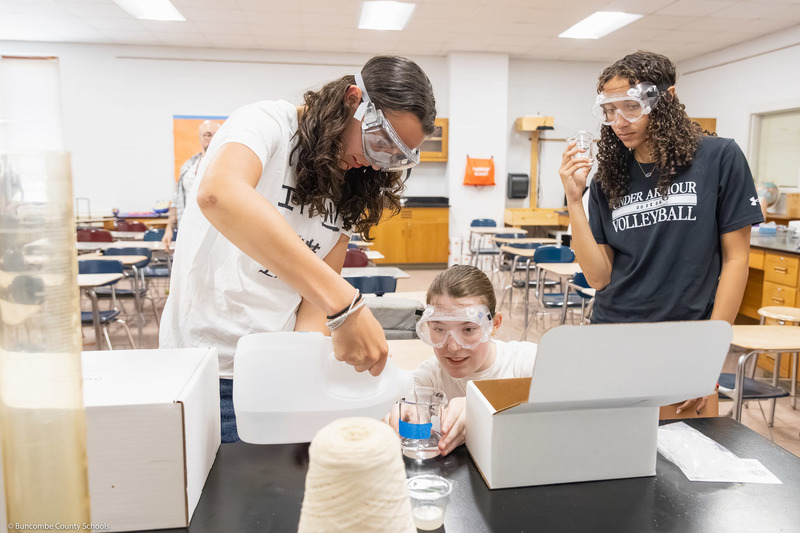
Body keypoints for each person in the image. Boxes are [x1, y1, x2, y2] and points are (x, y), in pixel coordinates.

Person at [159, 56, 437, 442]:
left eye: (395, 158)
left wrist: (301, 374)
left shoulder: (349, 184)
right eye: (379, 142)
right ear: (353, 100)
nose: (376, 164)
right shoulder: (265, 122)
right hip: (206, 368)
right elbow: (219, 194)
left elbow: (312, 306)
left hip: (275, 373)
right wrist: (346, 305)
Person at [558, 50, 764, 415]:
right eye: (609, 110)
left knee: (685, 462)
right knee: (609, 460)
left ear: (666, 98)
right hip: (612, 334)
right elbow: (599, 277)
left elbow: (736, 259)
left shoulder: (719, 158)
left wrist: (708, 351)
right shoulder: (609, 178)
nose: (619, 121)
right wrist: (575, 200)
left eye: (631, 106)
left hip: (683, 340)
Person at [387, 265, 537, 456]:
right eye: (439, 330)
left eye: (468, 330)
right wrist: (403, 419)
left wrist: (478, 406)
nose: (453, 347)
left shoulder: (527, 362)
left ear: (494, 325)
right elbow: (413, 423)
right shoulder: (428, 380)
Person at [162, 119, 221, 250]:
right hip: (189, 227)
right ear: (200, 138)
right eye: (208, 135)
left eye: (216, 134)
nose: (212, 139)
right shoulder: (188, 166)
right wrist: (169, 229)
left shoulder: (226, 164)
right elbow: (177, 199)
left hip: (215, 230)